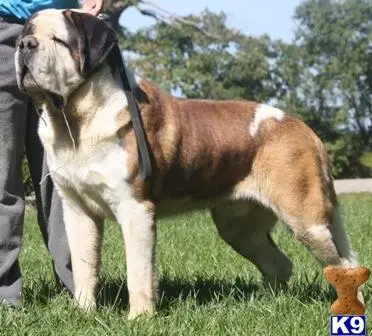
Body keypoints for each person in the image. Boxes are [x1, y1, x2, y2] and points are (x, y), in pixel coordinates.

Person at [0, 0, 104, 306]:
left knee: (66, 180)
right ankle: (5, 296)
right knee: (2, 178)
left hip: (60, 34)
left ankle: (81, 290)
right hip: (3, 30)